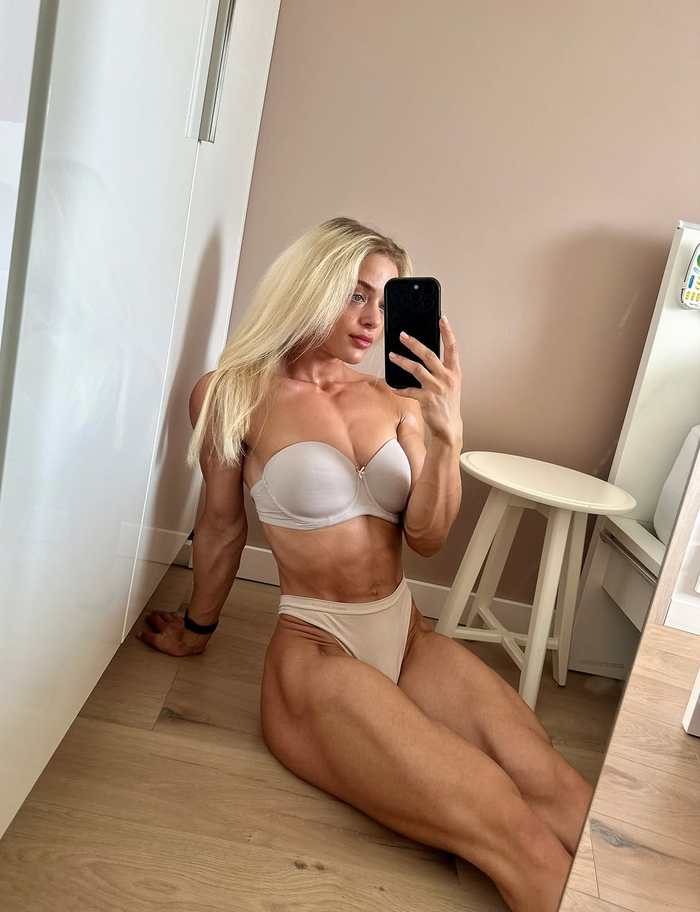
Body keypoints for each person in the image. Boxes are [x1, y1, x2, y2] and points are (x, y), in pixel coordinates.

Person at [138, 217, 593, 912]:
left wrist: (448, 435)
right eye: (355, 294)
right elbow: (223, 526)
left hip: (409, 636)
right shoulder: (231, 392)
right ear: (309, 285)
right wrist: (196, 632)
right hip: (317, 650)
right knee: (509, 826)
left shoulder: (396, 400)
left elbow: (428, 538)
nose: (373, 320)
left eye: (385, 300)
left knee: (558, 787)